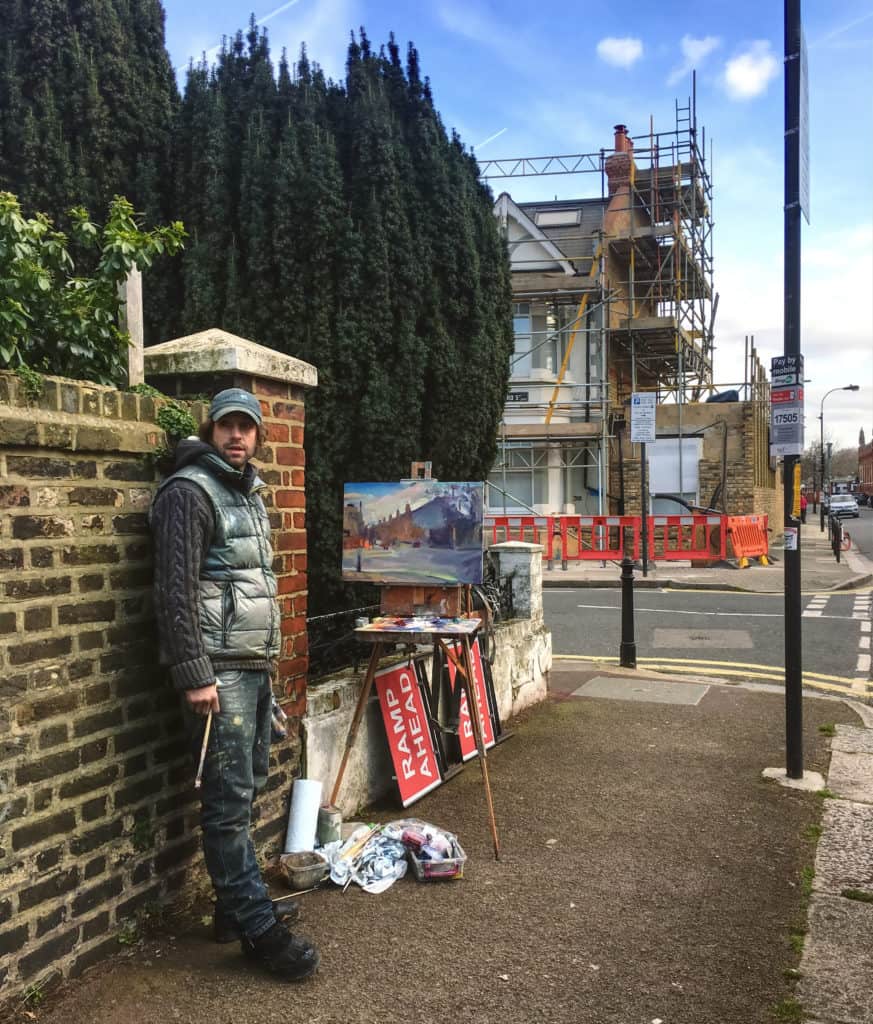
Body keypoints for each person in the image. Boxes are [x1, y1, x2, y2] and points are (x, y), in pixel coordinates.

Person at [150, 387, 320, 982]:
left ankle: (231, 912)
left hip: (249, 664)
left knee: (243, 792)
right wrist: (194, 674)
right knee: (225, 807)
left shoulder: (246, 492)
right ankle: (260, 931)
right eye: (227, 426)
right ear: (211, 428)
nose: (237, 436)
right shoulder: (189, 492)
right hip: (216, 671)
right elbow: (174, 590)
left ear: (258, 434)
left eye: (246, 427)